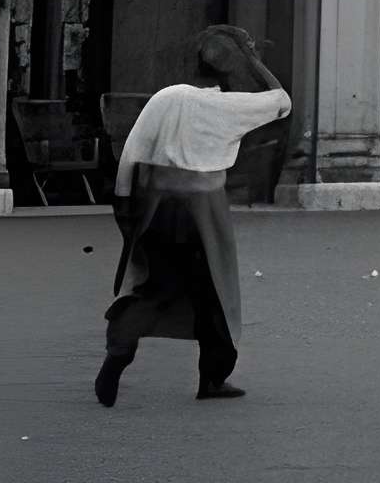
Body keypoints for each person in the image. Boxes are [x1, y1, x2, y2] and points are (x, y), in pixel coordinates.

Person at [97, 24, 291, 407]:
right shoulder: (227, 108)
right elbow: (281, 100)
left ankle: (119, 350)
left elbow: (133, 154)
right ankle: (213, 379)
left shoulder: (167, 98)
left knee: (154, 285)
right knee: (214, 294)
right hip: (202, 210)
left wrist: (125, 209)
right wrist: (251, 58)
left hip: (156, 203)